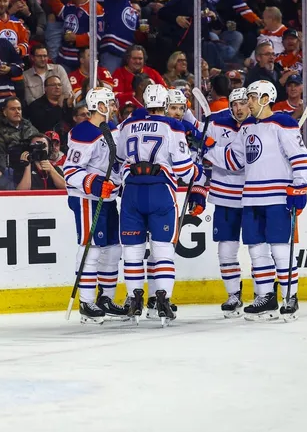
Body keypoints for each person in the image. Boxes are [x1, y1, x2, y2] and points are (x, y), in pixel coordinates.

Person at [203, 80, 307, 322]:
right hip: (250, 198)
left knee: (280, 250)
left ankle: (290, 297)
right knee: (257, 250)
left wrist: (299, 187)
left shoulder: (283, 123)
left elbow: (301, 158)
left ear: (265, 98)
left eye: (251, 97)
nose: (248, 102)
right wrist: (208, 149)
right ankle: (265, 297)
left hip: (276, 197)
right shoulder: (247, 128)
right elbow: (234, 160)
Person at [116, 84, 205, 326]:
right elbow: (184, 169)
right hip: (160, 192)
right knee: (162, 248)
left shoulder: (126, 125)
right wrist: (200, 173)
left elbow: (119, 159)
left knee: (133, 251)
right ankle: (162, 299)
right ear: (165, 104)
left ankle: (135, 300)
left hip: (132, 192)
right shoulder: (173, 125)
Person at [63, 87, 125, 324]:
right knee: (92, 247)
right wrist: (95, 183)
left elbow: (119, 163)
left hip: (108, 198)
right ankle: (87, 301)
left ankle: (105, 299)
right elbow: (70, 171)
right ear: (98, 106)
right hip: (87, 199)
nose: (113, 105)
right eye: (109, 102)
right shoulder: (84, 132)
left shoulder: (112, 129)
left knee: (112, 247)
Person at [205, 88, 250, 318]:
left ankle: (266, 294)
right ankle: (234, 294)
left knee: (259, 249)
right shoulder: (217, 124)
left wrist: (212, 149)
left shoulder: (257, 126)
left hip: (254, 195)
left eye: (243, 103)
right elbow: (202, 156)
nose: (239, 108)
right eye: (235, 104)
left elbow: (237, 162)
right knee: (226, 249)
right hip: (224, 196)